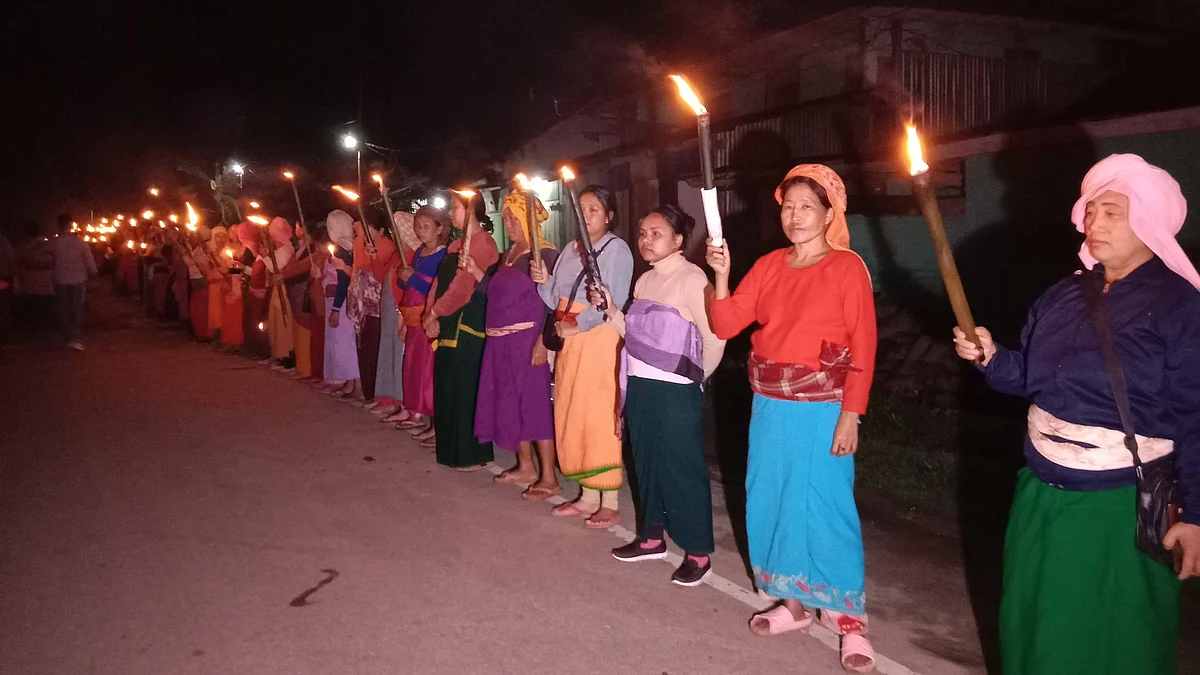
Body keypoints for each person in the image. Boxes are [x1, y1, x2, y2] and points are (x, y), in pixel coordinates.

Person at [952, 154, 1200, 675]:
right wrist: (991, 357)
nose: (1095, 223)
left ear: (1150, 223)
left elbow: (1195, 414)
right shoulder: (1063, 294)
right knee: (1031, 625)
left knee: (1110, 639)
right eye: (1091, 211)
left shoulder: (1180, 306)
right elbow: (1033, 378)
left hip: (1118, 504)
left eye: (1112, 213)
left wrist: (1196, 515)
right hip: (1039, 490)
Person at [707, 164, 877, 672]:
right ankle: (794, 603)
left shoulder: (847, 267)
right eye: (788, 206)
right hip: (770, 405)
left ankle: (848, 620)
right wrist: (721, 276)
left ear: (829, 214)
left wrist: (851, 415)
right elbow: (726, 323)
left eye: (807, 207)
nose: (796, 216)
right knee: (773, 496)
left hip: (825, 407)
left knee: (827, 505)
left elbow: (864, 345)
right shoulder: (768, 265)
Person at [593, 205, 725, 585]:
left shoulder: (692, 279)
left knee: (681, 468)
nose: (646, 240)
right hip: (641, 386)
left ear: (678, 240)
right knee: (646, 461)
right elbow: (634, 337)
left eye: (656, 233)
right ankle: (652, 538)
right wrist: (611, 308)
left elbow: (716, 337)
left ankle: (697, 553)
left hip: (675, 391)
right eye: (642, 233)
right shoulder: (644, 281)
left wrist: (695, 379)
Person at [530, 185, 633, 529]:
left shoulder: (616, 249)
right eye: (582, 210)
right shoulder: (571, 249)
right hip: (569, 339)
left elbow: (614, 299)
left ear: (609, 216)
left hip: (596, 338)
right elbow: (553, 298)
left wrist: (578, 326)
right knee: (572, 410)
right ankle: (588, 495)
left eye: (594, 210)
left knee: (599, 414)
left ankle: (610, 501)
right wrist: (543, 280)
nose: (586, 216)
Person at [477, 189, 560, 500]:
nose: (508, 223)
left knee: (534, 406)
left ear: (528, 219)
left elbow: (553, 303)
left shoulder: (544, 254)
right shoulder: (510, 253)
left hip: (527, 342)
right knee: (510, 404)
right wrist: (475, 273)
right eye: (506, 218)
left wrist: (543, 342)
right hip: (501, 344)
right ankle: (526, 466)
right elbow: (496, 293)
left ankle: (549, 477)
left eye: (514, 218)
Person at [422, 190, 499, 469]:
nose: (451, 213)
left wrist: (435, 313)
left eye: (455, 207)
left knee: (465, 390)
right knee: (447, 387)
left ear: (470, 211)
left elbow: (463, 287)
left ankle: (471, 454)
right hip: (445, 323)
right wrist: (429, 314)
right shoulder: (455, 245)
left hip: (467, 326)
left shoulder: (484, 243)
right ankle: (450, 451)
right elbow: (438, 283)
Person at [397, 207, 449, 444]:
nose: (420, 230)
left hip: (428, 316)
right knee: (415, 367)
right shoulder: (419, 252)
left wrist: (413, 279)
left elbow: (437, 288)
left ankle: (438, 425)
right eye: (417, 226)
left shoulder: (443, 256)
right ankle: (421, 414)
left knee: (430, 371)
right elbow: (408, 283)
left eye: (426, 226)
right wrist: (404, 277)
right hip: (413, 318)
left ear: (440, 228)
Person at [372, 213, 418, 420]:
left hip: (400, 310)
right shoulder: (397, 255)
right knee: (388, 351)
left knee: (399, 354)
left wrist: (403, 313)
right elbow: (380, 276)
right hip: (390, 308)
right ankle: (387, 398)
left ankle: (400, 402)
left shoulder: (412, 256)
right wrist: (374, 257)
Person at [321, 211, 362, 399]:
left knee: (346, 343)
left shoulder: (341, 250)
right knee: (346, 342)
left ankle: (357, 383)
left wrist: (336, 308)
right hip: (345, 299)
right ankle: (350, 381)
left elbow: (343, 281)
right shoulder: (350, 248)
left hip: (342, 301)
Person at [51, 215, 98, 350]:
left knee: (63, 309)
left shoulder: (55, 243)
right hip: (78, 280)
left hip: (61, 280)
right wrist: (94, 274)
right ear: (71, 225)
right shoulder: (80, 243)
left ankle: (66, 337)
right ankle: (74, 337)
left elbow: (49, 260)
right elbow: (90, 262)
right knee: (77, 309)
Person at [261, 217, 296, 368]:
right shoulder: (279, 250)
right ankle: (277, 354)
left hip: (283, 290)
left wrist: (264, 257)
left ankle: (285, 356)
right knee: (275, 322)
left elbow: (275, 267)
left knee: (283, 323)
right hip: (276, 289)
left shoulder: (286, 249)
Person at [15, 222, 55, 331]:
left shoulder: (23, 248)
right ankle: (46, 328)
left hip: (31, 284)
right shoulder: (50, 245)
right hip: (47, 283)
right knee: (46, 306)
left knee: (33, 307)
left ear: (26, 233)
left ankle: (35, 328)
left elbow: (17, 264)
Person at [0, 230, 14, 347]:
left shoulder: (5, 243)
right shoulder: (5, 243)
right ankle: (4, 338)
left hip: (3, 278)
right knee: (4, 306)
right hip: (3, 278)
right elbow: (11, 261)